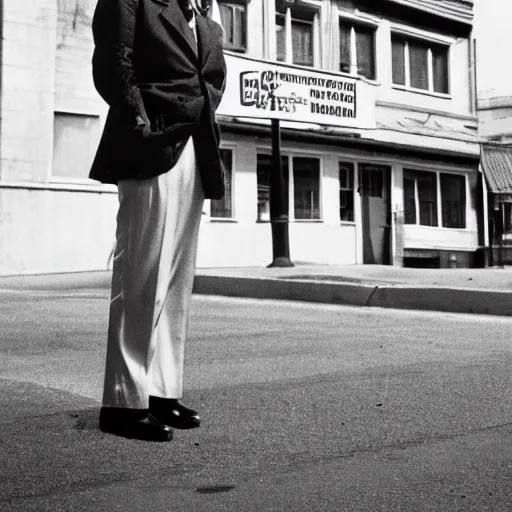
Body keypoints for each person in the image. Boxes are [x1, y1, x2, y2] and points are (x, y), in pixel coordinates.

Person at [89, 0, 226, 441]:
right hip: (147, 143)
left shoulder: (205, 10)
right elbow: (113, 62)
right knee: (140, 277)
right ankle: (123, 403)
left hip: (194, 146)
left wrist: (194, 111)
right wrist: (142, 117)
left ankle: (162, 390)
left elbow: (213, 73)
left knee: (175, 282)